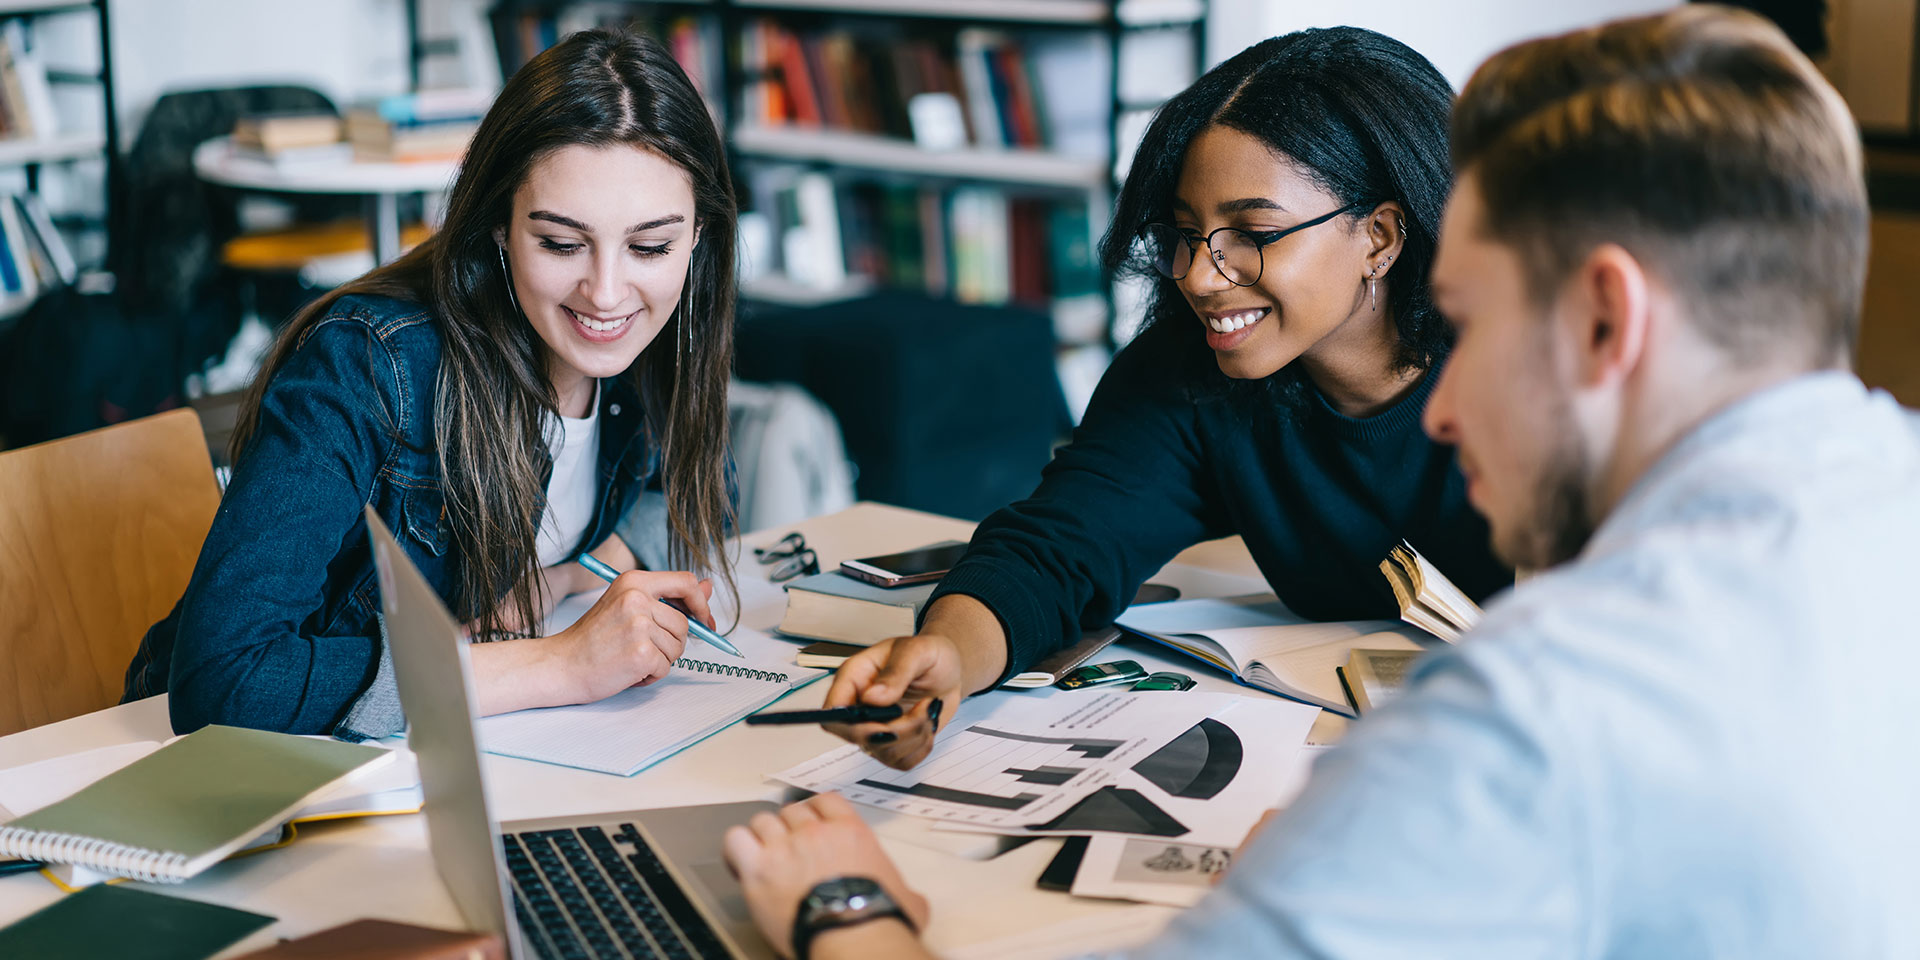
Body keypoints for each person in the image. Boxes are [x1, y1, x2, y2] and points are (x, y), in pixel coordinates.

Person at [722, 7, 1920, 959]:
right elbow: (1066, 534)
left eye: (1474, 318)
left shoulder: (1533, 708)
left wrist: (846, 912)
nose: (1446, 409)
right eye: (1187, 234)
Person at [824, 27, 1513, 768]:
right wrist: (947, 657)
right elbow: (1058, 550)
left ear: (1379, 236)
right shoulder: (1192, 370)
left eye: (1252, 232)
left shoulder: (1536, 370)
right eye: (1187, 233)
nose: (1201, 277)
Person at [123, 28, 739, 740]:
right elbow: (224, 683)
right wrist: (561, 664)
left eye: (650, 246)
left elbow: (704, 490)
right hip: (252, 776)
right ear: (501, 227)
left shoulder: (660, 340)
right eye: (561, 244)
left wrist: (571, 576)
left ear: (698, 236)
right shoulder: (367, 365)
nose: (606, 293)